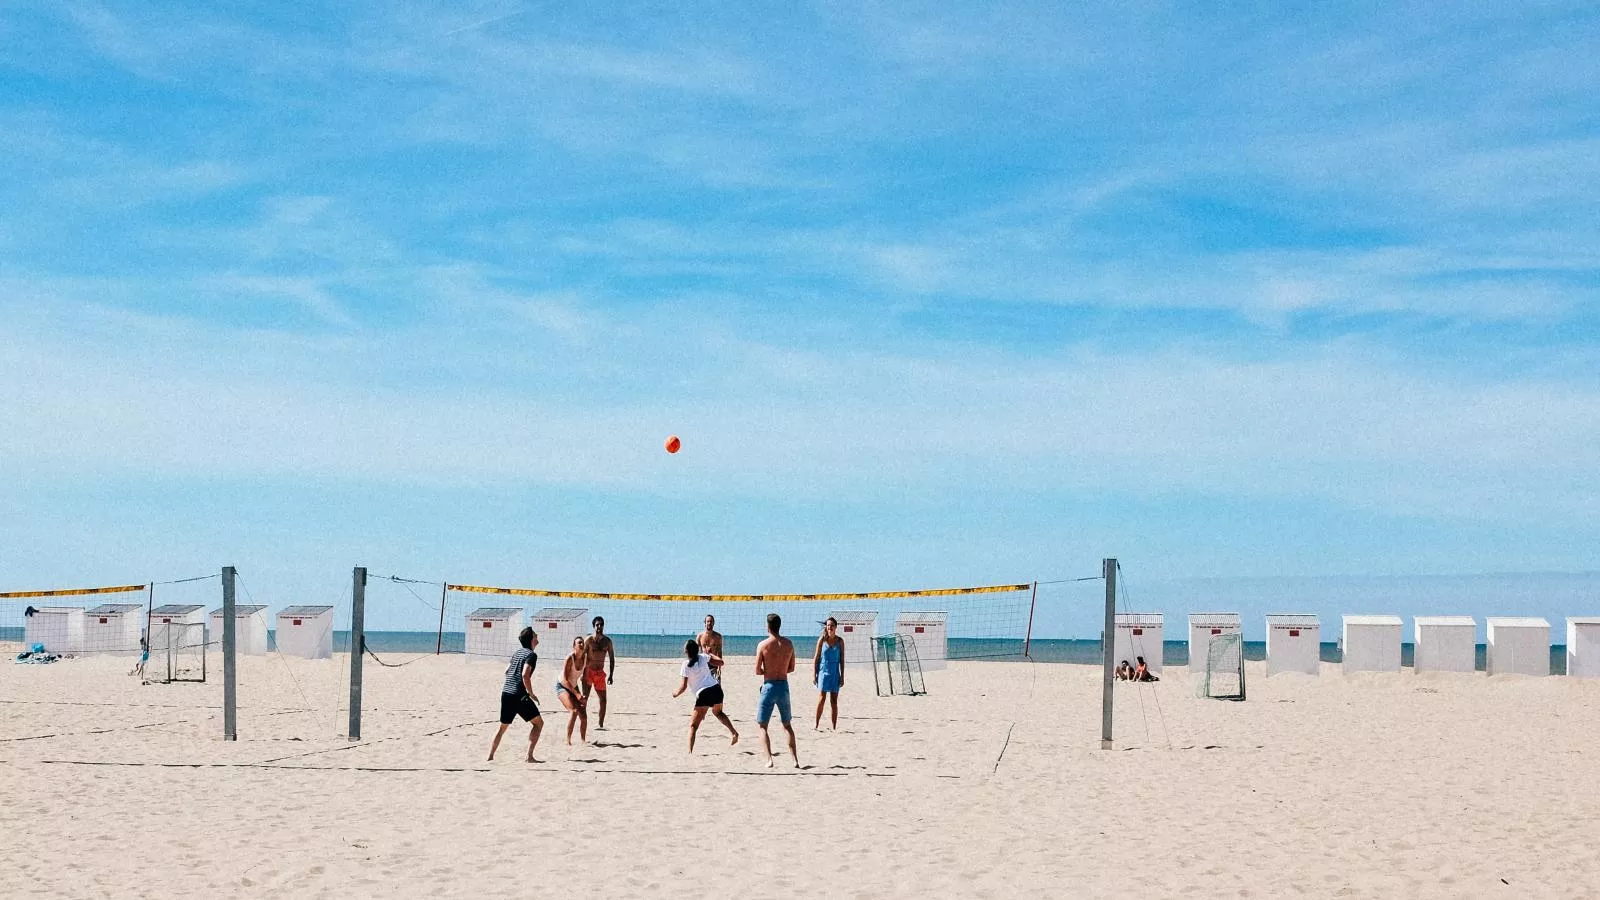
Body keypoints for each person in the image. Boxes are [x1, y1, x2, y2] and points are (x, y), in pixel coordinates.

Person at [672, 638, 738, 753]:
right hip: (717, 689)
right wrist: (709, 653)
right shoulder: (703, 657)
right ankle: (734, 732)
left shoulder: (685, 664)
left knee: (693, 726)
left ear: (686, 652)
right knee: (718, 712)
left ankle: (689, 753)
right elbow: (721, 662)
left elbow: (683, 687)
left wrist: (675, 694)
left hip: (704, 694)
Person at [488, 626, 544, 762]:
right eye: (536, 635)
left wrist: (512, 683)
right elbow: (525, 674)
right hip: (519, 694)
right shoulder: (531, 655)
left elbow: (507, 671)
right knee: (538, 724)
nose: (537, 637)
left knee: (502, 727)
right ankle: (529, 757)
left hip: (506, 692)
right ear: (532, 639)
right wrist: (531, 693)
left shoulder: (517, 653)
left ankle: (490, 756)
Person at [754, 612, 798, 768]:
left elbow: (757, 670)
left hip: (769, 686)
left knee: (762, 726)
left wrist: (769, 670)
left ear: (768, 626)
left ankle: (769, 759)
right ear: (779, 626)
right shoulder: (789, 644)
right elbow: (791, 668)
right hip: (783, 686)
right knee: (787, 725)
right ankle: (794, 760)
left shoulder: (763, 645)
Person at [582, 616, 616, 729]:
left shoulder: (607, 641)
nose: (599, 627)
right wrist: (581, 673)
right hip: (588, 672)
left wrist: (611, 674)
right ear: (593, 626)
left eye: (601, 624)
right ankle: (583, 721)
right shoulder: (588, 640)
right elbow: (580, 656)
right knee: (584, 699)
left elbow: (612, 658)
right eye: (597, 625)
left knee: (603, 700)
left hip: (600, 674)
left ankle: (601, 724)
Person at [812, 616, 844, 730]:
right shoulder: (822, 640)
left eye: (832, 625)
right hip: (823, 671)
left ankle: (834, 727)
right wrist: (814, 675)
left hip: (835, 672)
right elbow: (816, 658)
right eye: (828, 625)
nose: (830, 627)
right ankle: (816, 725)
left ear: (836, 627)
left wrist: (842, 676)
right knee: (821, 699)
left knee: (834, 701)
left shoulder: (840, 641)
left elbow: (842, 659)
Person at [556, 635, 589, 745]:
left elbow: (584, 678)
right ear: (573, 646)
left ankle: (583, 741)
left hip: (574, 686)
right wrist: (577, 694)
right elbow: (565, 680)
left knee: (583, 716)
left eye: (582, 643)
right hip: (562, 685)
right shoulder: (570, 658)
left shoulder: (585, 658)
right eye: (578, 643)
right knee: (574, 711)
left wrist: (583, 695)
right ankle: (568, 740)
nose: (581, 644)